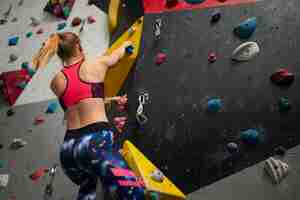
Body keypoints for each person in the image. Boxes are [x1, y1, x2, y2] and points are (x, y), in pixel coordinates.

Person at [47, 32, 145, 200]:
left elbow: (82, 99)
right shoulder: (95, 64)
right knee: (133, 192)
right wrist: (126, 45)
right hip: (93, 144)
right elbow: (116, 57)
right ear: (78, 46)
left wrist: (111, 100)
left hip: (69, 152)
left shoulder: (56, 81)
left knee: (89, 187)